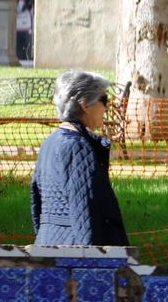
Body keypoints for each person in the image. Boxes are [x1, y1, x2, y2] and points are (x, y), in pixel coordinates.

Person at [30, 70, 128, 247]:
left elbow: (37, 207)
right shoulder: (78, 147)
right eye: (104, 99)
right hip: (74, 251)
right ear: (84, 104)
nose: (106, 107)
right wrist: (96, 257)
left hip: (47, 244)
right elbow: (87, 213)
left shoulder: (49, 143)